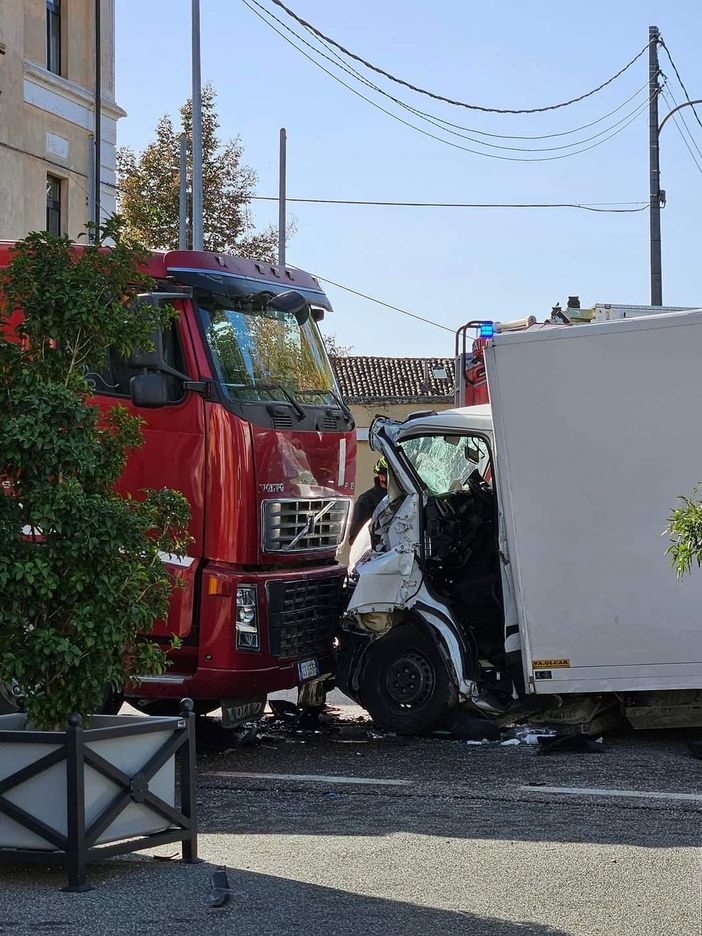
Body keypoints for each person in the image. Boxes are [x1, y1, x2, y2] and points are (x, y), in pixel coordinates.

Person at [348, 457, 388, 545]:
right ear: (381, 476)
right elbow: (355, 538)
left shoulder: (405, 497)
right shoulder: (366, 501)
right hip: (379, 554)